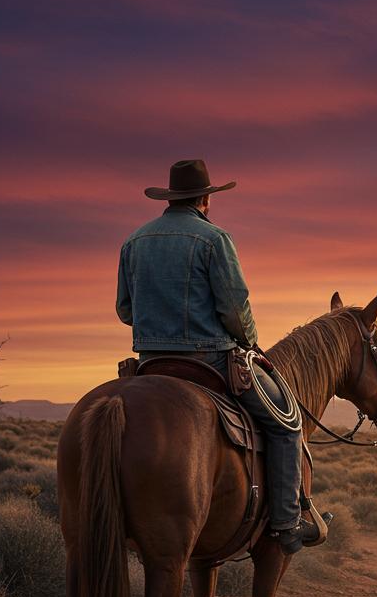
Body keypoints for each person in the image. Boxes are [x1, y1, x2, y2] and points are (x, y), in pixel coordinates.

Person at [115, 158, 320, 554]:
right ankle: (286, 521)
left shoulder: (133, 241)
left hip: (150, 362)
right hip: (209, 360)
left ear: (170, 198)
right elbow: (234, 307)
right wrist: (250, 340)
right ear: (206, 199)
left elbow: (125, 310)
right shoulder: (214, 239)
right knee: (286, 422)